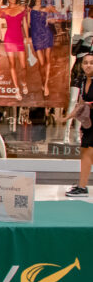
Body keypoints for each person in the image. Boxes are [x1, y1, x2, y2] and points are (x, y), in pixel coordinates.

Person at [65, 53, 93, 198]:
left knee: (87, 153)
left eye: (91, 63)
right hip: (88, 123)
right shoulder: (83, 81)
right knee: (85, 153)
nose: (88, 65)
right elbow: (81, 103)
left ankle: (82, 187)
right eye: (86, 63)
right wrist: (66, 118)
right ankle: (82, 185)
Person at [0, 0, 28, 99]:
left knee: (23, 65)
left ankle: (24, 83)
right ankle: (16, 89)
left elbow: (24, 24)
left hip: (19, 38)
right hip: (9, 38)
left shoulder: (21, 8)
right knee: (12, 65)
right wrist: (0, 0)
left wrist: (27, 37)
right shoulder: (5, 11)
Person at [27, 0, 55, 98]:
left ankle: (46, 84)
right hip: (36, 36)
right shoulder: (30, 9)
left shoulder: (47, 7)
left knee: (48, 60)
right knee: (41, 62)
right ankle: (43, 82)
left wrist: (51, 19)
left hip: (47, 34)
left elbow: (60, 15)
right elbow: (29, 24)